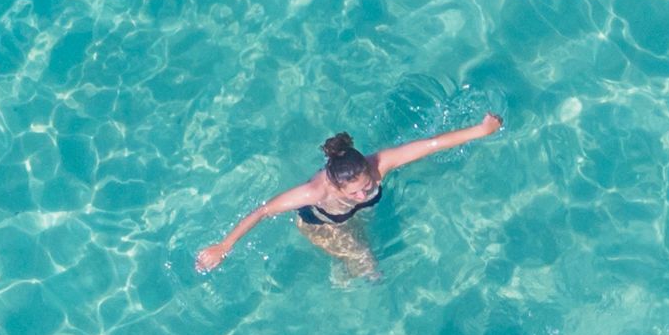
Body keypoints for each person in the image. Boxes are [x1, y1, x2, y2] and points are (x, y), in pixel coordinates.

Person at [195, 114, 507, 281]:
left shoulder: (379, 164)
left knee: (364, 236)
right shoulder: (314, 192)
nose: (363, 193)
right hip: (322, 225)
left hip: (351, 217)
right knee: (369, 267)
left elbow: (432, 144)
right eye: (354, 191)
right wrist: (224, 245)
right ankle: (343, 274)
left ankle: (346, 264)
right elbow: (263, 211)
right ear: (337, 187)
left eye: (367, 185)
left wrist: (481, 130)